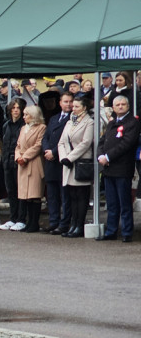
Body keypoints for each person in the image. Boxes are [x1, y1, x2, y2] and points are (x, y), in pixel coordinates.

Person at [96, 96, 140, 243]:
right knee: (112, 203)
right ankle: (111, 231)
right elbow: (102, 141)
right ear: (113, 107)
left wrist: (108, 157)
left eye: (123, 104)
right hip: (108, 169)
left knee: (124, 203)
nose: (120, 107)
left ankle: (127, 232)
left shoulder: (132, 122)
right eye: (117, 105)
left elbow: (126, 143)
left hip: (122, 168)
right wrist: (101, 155)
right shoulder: (112, 122)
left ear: (128, 106)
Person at [56, 96, 95, 239]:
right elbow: (61, 142)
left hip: (80, 163)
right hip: (68, 163)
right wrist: (63, 158)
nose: (74, 109)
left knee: (81, 196)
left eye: (77, 107)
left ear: (84, 108)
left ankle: (79, 225)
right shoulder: (69, 122)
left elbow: (85, 143)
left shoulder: (89, 122)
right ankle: (73, 225)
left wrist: (70, 157)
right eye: (73, 106)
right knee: (71, 196)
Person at [42, 92, 73, 233]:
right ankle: (53, 221)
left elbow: (67, 140)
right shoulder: (54, 118)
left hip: (62, 160)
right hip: (50, 161)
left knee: (64, 194)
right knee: (52, 195)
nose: (68, 104)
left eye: (70, 102)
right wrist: (46, 150)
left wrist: (54, 152)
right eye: (65, 102)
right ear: (60, 103)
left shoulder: (73, 119)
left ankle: (64, 223)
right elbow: (46, 136)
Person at [14, 105, 46, 233]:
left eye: (26, 114)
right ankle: (28, 222)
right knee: (25, 195)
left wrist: (25, 157)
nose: (23, 117)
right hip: (22, 164)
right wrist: (18, 157)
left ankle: (34, 222)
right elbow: (18, 145)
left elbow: (38, 145)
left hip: (33, 162)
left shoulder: (41, 128)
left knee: (34, 194)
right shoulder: (23, 128)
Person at [0, 98, 27, 230]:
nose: (15, 110)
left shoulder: (24, 126)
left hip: (19, 161)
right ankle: (12, 218)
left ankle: (21, 219)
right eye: (13, 108)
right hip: (7, 161)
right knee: (11, 191)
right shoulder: (6, 125)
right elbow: (4, 144)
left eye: (18, 108)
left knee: (20, 191)